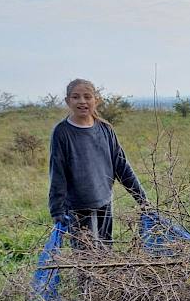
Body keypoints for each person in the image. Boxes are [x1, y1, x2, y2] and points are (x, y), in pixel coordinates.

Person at [48, 78, 149, 248]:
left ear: (97, 100)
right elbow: (57, 172)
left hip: (104, 202)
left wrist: (141, 198)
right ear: (67, 101)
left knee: (105, 252)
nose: (82, 101)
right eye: (76, 97)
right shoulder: (62, 132)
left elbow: (121, 165)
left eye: (87, 97)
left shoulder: (105, 129)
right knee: (85, 256)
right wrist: (57, 209)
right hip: (77, 207)